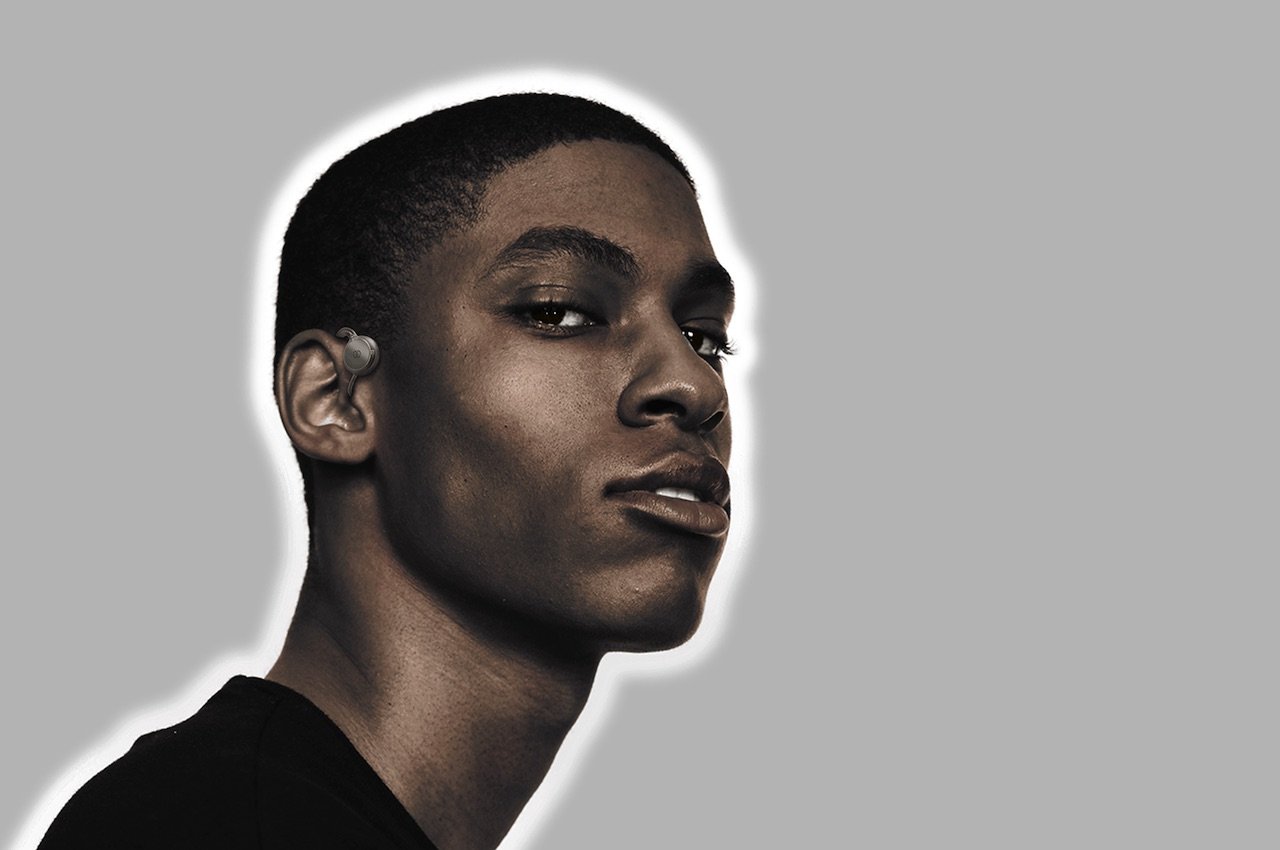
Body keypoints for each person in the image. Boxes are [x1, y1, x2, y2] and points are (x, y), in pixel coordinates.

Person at [38, 93, 737, 850]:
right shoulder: (211, 829)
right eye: (557, 311)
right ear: (337, 399)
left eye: (704, 336)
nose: (694, 385)